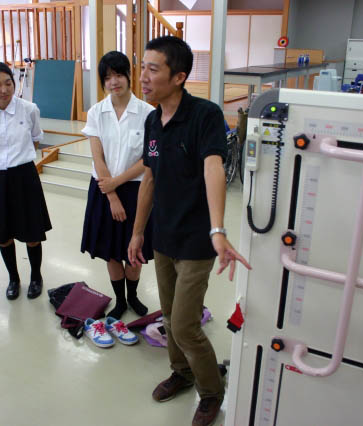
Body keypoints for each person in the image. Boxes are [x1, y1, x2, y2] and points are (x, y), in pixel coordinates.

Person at [127, 36, 251, 426]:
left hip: (197, 240)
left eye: (153, 69)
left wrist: (218, 229)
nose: (143, 77)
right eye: (142, 67)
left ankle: (211, 391)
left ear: (178, 77)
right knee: (169, 317)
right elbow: (149, 178)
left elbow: (213, 168)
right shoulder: (152, 120)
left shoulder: (204, 115)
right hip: (163, 236)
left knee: (184, 325)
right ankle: (181, 372)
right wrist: (137, 232)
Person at [81, 51, 154, 319]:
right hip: (103, 190)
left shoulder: (148, 113)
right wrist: (111, 194)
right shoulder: (96, 113)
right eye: (108, 77)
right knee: (111, 251)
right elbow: (97, 157)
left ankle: (133, 296)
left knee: (135, 250)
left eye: (119, 75)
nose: (114, 81)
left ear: (129, 76)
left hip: (136, 190)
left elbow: (148, 159)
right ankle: (120, 301)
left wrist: (117, 182)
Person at [0, 62, 51, 300]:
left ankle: (36, 277)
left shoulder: (29, 109)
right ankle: (13, 279)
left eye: (8, 83)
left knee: (32, 233)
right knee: (3, 234)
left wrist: (20, 158)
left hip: (24, 176)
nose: (4, 89)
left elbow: (36, 138)